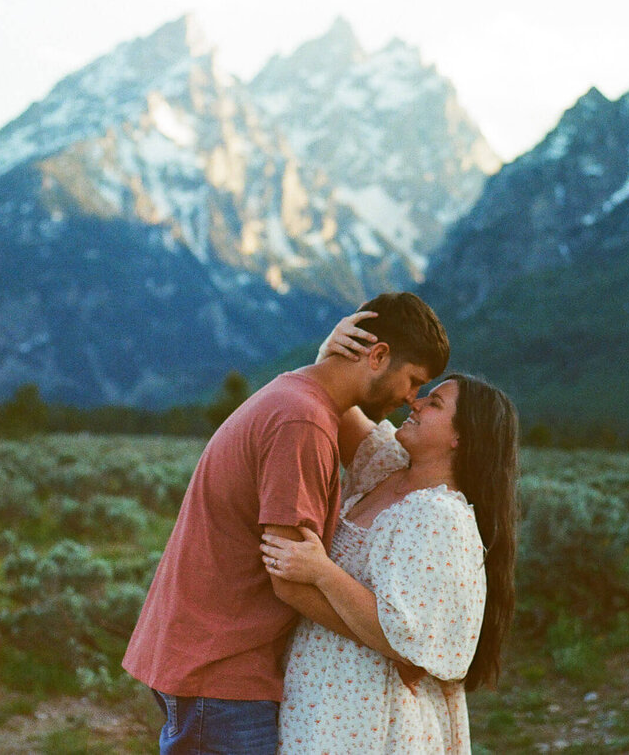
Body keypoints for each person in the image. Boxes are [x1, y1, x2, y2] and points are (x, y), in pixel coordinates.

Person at [122, 293, 449, 755]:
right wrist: (394, 647)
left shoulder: (297, 397)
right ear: (377, 356)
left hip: (212, 664)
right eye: (414, 380)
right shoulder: (303, 422)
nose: (410, 399)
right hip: (222, 673)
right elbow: (291, 580)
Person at [260, 311, 519, 754]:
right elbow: (336, 403)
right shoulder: (390, 467)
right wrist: (332, 354)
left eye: (434, 403)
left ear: (462, 437)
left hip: (368, 711)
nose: (414, 403)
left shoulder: (440, 515)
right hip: (325, 695)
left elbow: (404, 636)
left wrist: (322, 571)